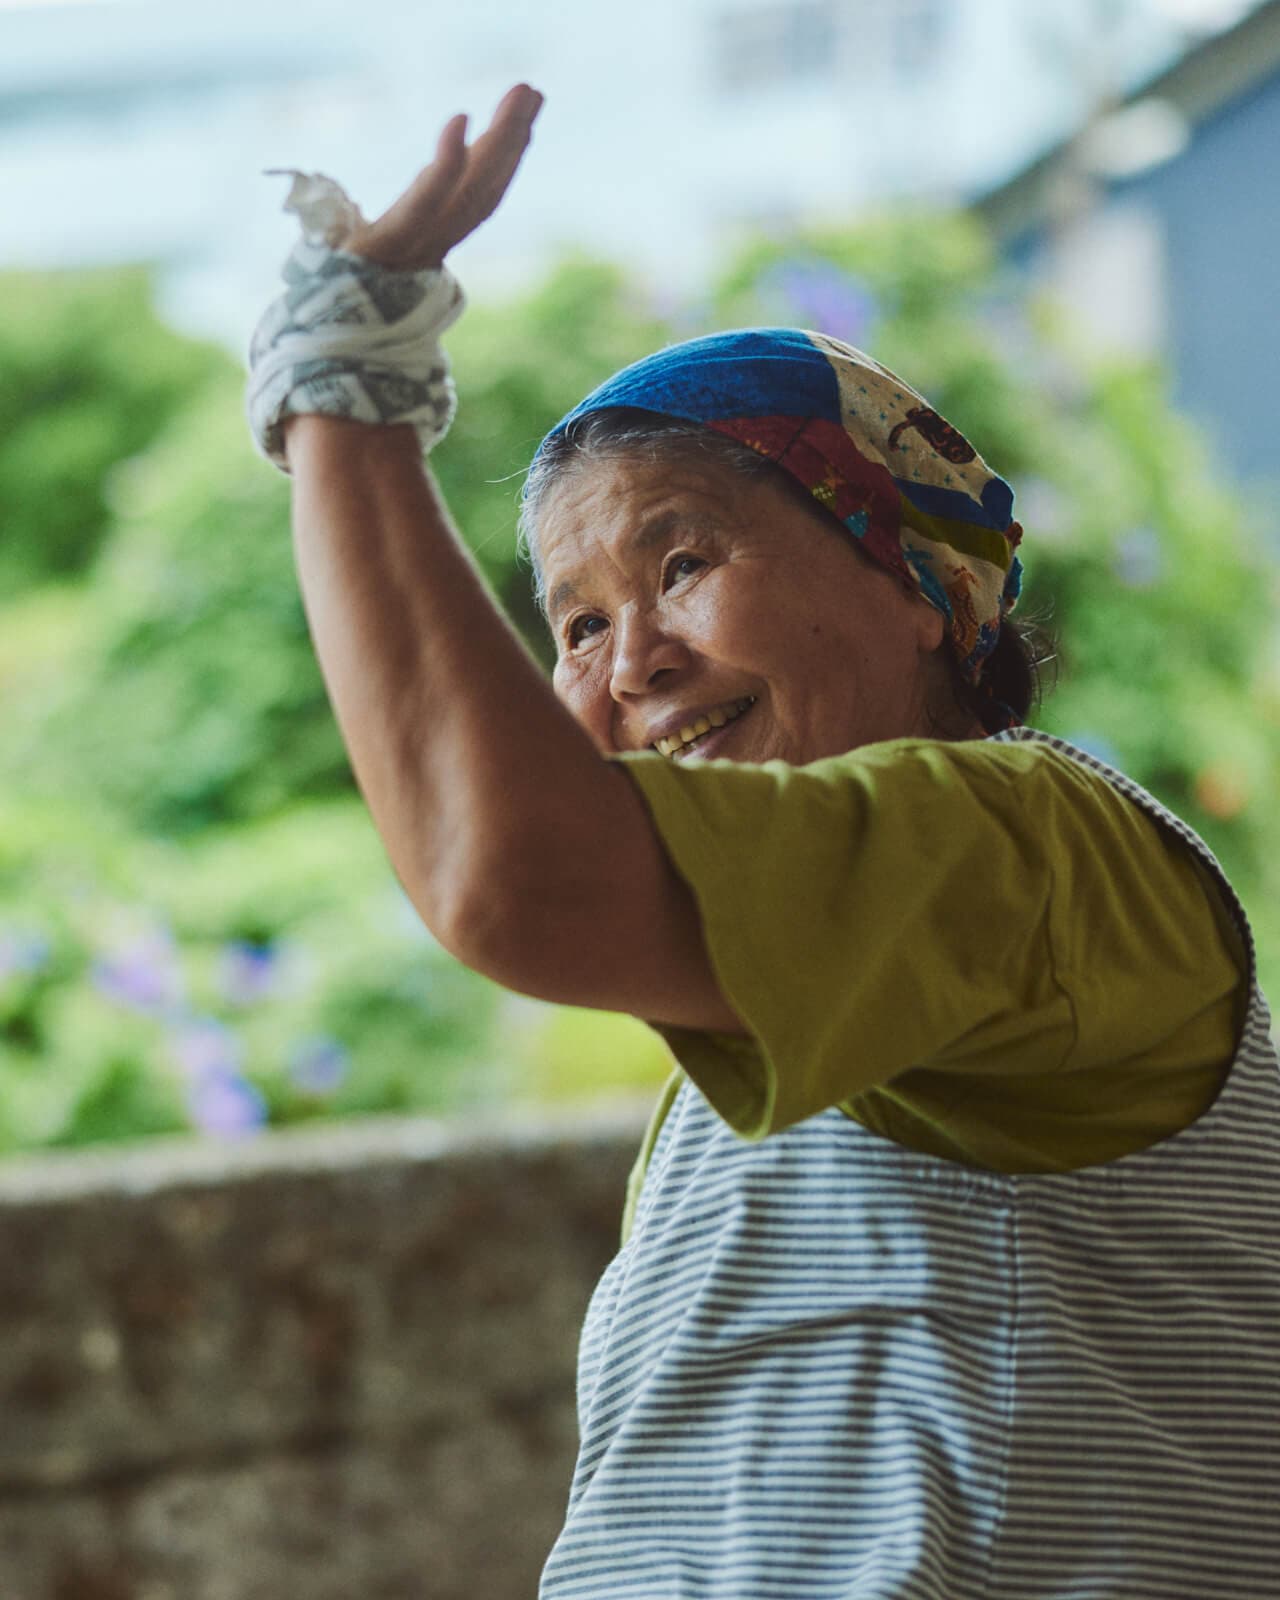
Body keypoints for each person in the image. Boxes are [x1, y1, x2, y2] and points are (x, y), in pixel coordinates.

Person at [247, 86, 1280, 1599]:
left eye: (683, 562)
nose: (628, 662)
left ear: (924, 591)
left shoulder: (1035, 848)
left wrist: (344, 390)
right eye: (578, 623)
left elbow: (506, 873)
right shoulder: (805, 995)